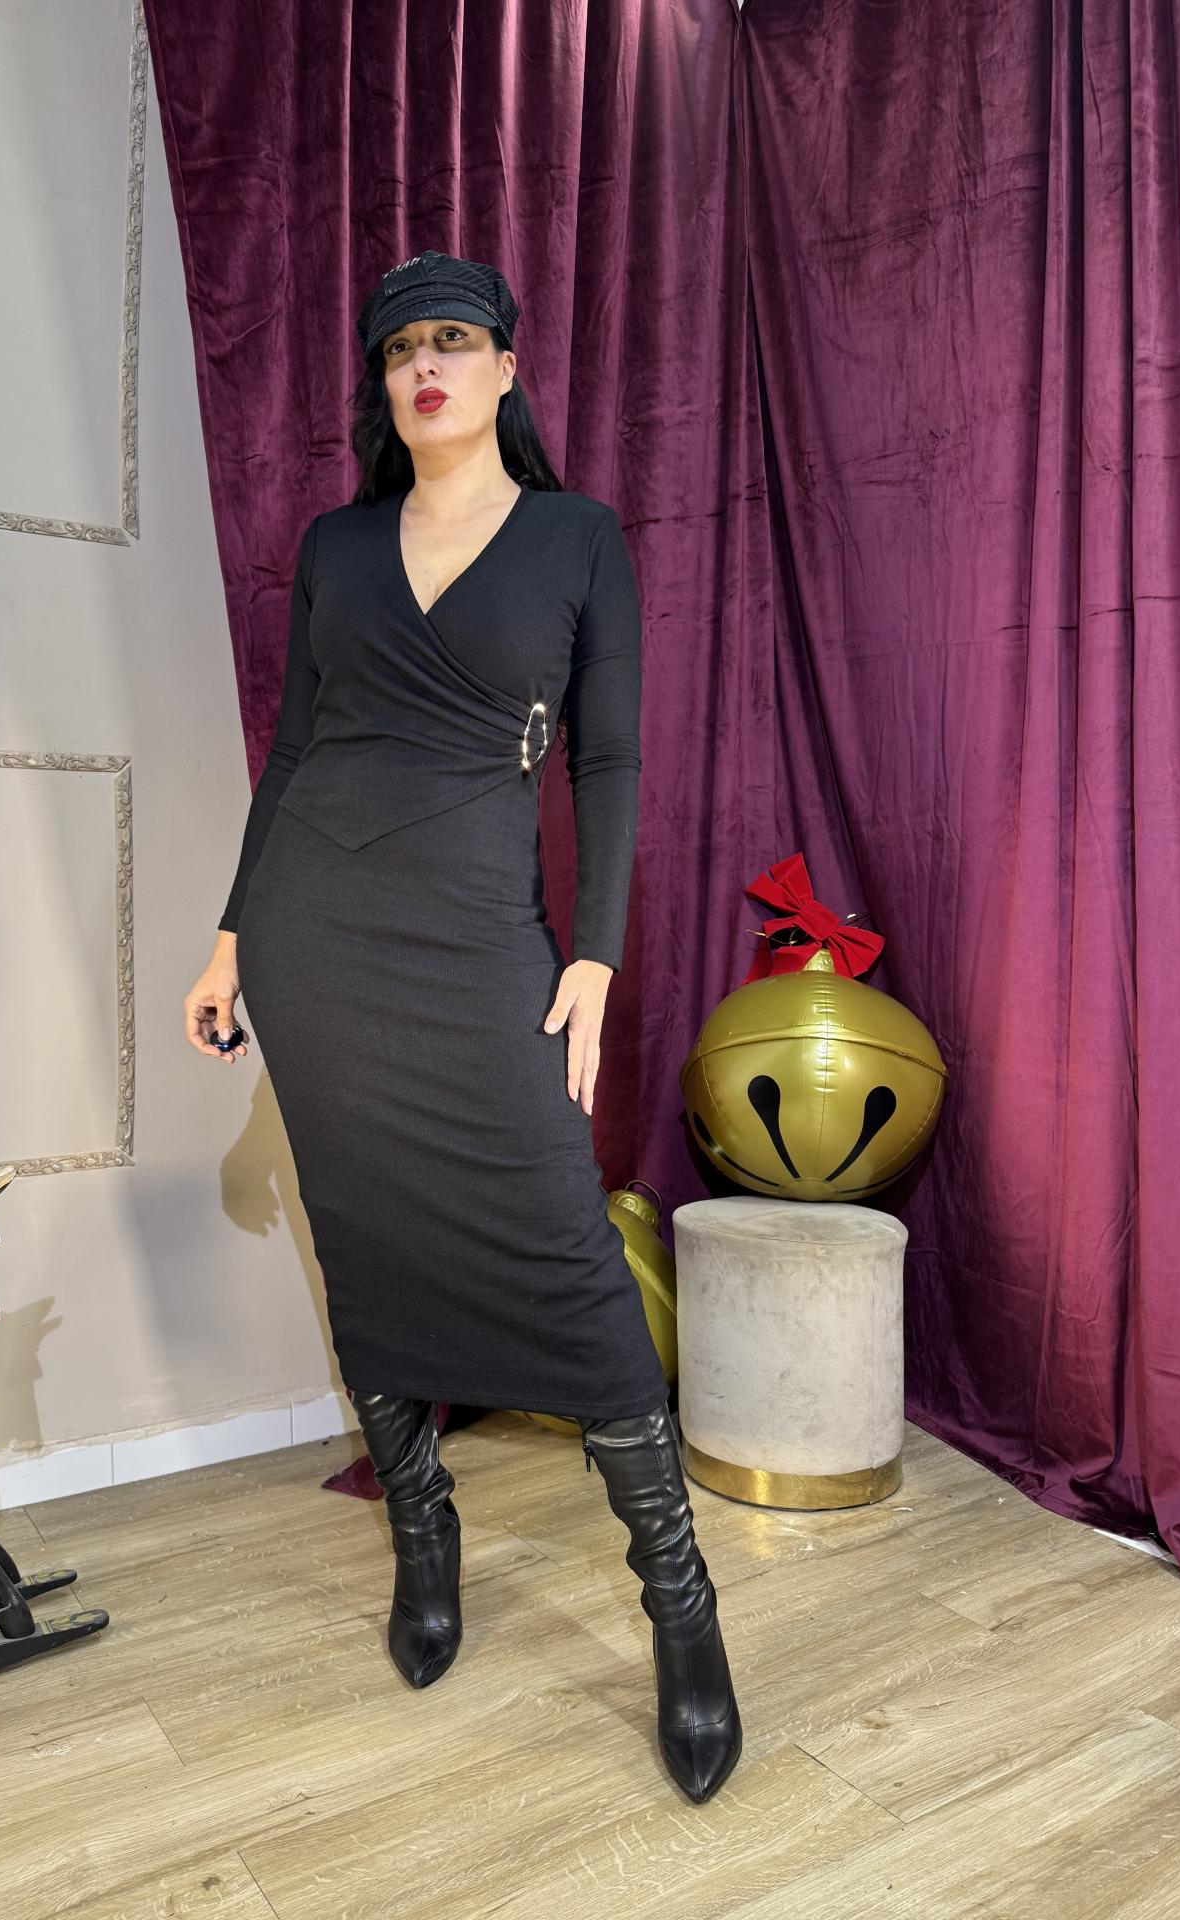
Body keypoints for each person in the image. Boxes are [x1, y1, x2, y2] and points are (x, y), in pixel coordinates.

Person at [183, 250, 742, 1803]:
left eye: (451, 340)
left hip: (484, 934)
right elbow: (294, 754)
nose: (423, 367)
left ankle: (681, 1610)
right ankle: (422, 1534)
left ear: (504, 366)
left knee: (568, 1254)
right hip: (318, 938)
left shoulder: (576, 537)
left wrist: (597, 958)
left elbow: (609, 763)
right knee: (364, 1243)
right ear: (384, 384)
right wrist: (231, 938)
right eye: (398, 350)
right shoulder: (336, 546)